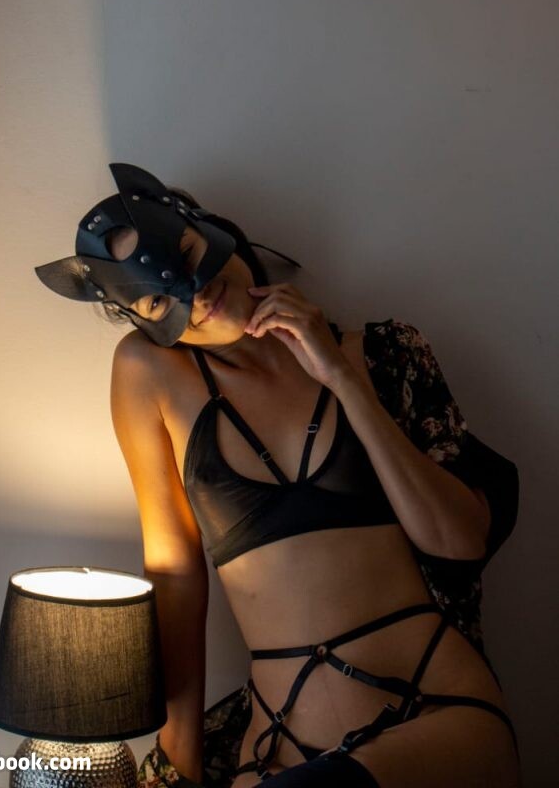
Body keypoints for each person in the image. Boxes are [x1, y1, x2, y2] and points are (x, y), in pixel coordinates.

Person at [36, 163, 521, 788]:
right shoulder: (149, 375)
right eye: (156, 300)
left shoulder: (384, 352)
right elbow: (175, 572)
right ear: (142, 322)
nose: (193, 294)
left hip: (436, 715)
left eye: (187, 254)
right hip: (276, 750)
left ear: (208, 227)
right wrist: (176, 757)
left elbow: (459, 543)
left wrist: (342, 378)